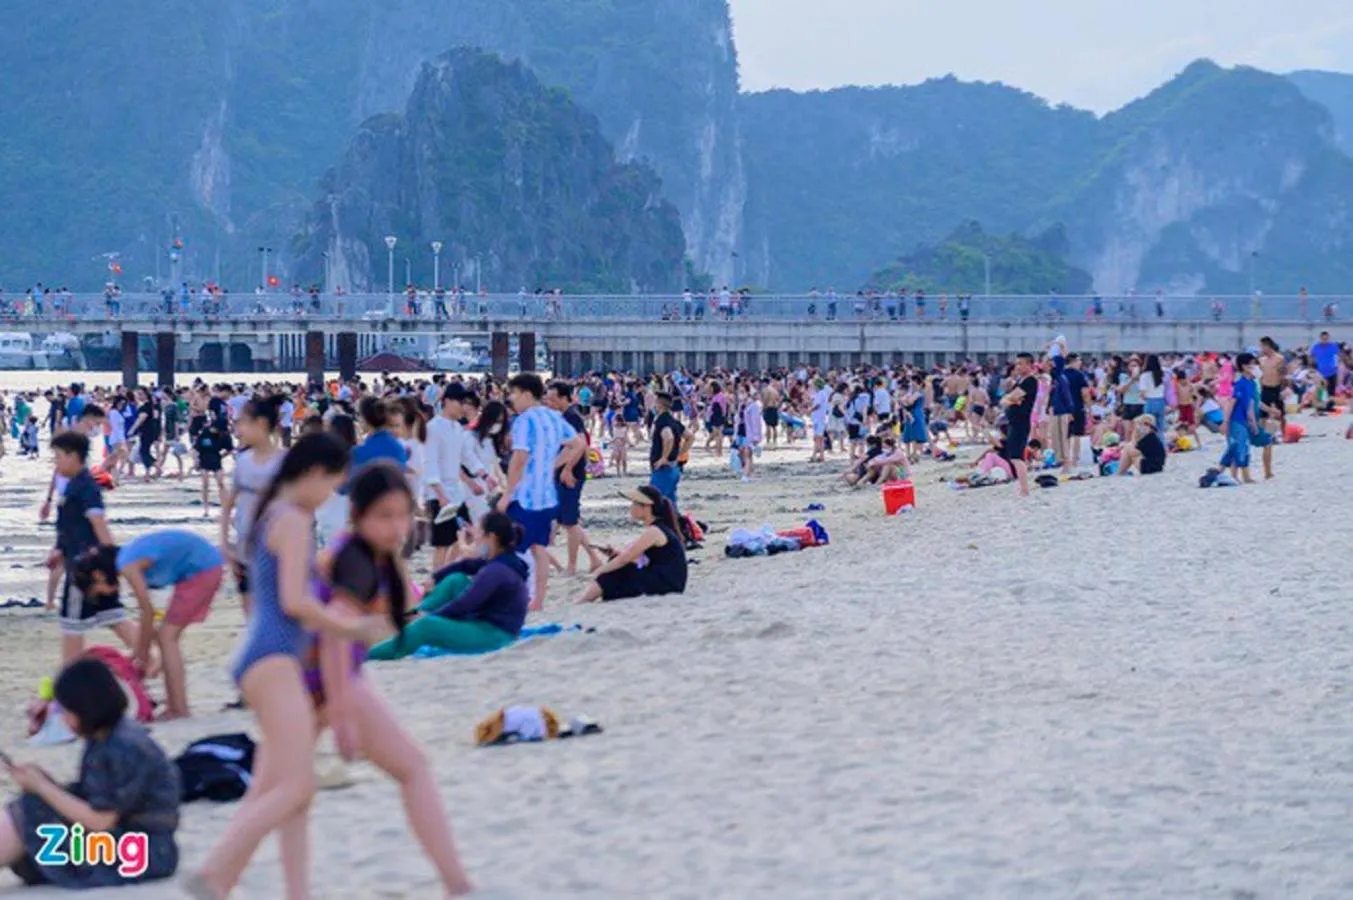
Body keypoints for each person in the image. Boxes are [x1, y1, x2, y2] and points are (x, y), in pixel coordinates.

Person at [183, 433, 395, 899]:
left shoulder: (272, 512)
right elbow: (296, 603)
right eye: (332, 485)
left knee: (284, 786)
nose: (329, 497)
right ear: (316, 474)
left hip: (267, 657)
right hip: (273, 658)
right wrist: (355, 629)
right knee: (296, 786)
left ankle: (294, 891)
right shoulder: (294, 518)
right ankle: (215, 874)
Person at [301, 463, 471, 894]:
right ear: (358, 514)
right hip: (314, 681)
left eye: (403, 514)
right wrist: (341, 718)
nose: (398, 525)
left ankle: (457, 881)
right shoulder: (354, 558)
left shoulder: (365, 551)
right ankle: (458, 882)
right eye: (385, 515)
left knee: (281, 793)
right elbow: (337, 637)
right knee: (412, 769)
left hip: (324, 678)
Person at [0, 657, 181, 889]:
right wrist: (45, 784)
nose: (62, 717)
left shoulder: (121, 747)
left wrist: (44, 788)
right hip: (133, 844)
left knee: (32, 809)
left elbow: (101, 820)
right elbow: (97, 795)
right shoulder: (109, 736)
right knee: (34, 806)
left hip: (141, 851)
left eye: (64, 710)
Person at [75, 531, 224, 720]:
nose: (103, 595)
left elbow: (147, 612)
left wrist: (142, 655)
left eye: (97, 590)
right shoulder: (127, 557)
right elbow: (148, 617)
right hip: (201, 567)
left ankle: (178, 709)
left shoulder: (128, 565)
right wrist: (140, 652)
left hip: (202, 570)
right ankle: (175, 704)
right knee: (167, 637)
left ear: (98, 576)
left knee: (167, 637)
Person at [369, 510, 529, 660]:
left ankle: (369, 655)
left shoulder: (496, 571)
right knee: (456, 579)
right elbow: (465, 565)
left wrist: (432, 616)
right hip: (487, 621)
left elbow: (465, 605)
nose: (476, 538)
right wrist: (435, 577)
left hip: (496, 634)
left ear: (491, 537)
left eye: (479, 533)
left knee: (427, 626)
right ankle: (413, 615)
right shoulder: (502, 560)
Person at [49, 431, 139, 664]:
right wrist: (59, 549)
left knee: (72, 624)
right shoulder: (73, 485)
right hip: (84, 562)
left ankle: (70, 677)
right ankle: (151, 656)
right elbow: (71, 524)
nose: (55, 462)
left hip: (86, 568)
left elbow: (98, 523)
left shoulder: (86, 487)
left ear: (73, 456)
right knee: (114, 616)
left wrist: (110, 561)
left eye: (57, 456)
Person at [497, 374, 586, 611]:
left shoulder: (524, 420)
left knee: (513, 548)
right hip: (547, 495)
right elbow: (578, 444)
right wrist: (553, 465)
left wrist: (507, 492)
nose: (510, 399)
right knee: (539, 549)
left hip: (525, 495)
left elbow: (520, 457)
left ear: (526, 393)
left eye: (513, 394)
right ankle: (537, 600)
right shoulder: (553, 417)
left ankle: (519, 596)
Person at [219, 394, 285, 619]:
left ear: (261, 424)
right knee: (250, 613)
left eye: (243, 423)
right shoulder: (243, 461)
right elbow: (228, 504)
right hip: (245, 548)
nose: (239, 430)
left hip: (277, 549)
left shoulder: (284, 462)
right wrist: (225, 543)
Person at [577, 486, 688, 603]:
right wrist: (614, 554)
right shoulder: (657, 528)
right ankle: (585, 599)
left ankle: (583, 601)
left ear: (646, 507)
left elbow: (625, 559)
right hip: (668, 581)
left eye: (634, 504)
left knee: (613, 571)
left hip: (668, 584)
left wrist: (598, 572)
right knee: (616, 564)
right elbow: (639, 558)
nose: (631, 507)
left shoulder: (654, 531)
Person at [424, 384, 487, 569]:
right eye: (461, 402)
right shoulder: (433, 428)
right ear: (448, 401)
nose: (464, 407)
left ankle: (448, 571)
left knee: (465, 533)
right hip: (439, 493)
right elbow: (430, 462)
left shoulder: (457, 427)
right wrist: (439, 493)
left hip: (456, 491)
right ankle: (437, 580)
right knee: (442, 544)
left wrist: (483, 473)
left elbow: (466, 455)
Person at [545, 382, 602, 574]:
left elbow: (581, 445)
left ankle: (571, 565)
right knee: (569, 521)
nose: (548, 402)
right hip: (565, 471)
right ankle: (594, 558)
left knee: (569, 522)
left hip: (572, 473)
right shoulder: (565, 416)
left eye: (552, 399)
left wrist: (567, 469)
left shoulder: (571, 417)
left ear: (563, 398)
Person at [1001, 353, 1038, 497]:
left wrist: (1012, 399)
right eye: (1017, 364)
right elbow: (1006, 398)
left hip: (1021, 422)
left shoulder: (1030, 381)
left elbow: (1012, 397)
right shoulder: (1020, 381)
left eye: (1021, 363)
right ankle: (1023, 488)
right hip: (1014, 421)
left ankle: (1024, 489)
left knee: (1017, 456)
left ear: (1029, 365)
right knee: (1014, 456)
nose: (1018, 366)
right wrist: (1012, 399)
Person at [1220, 352, 1260, 484]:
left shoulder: (1251, 383)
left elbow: (1250, 405)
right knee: (1238, 446)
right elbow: (1231, 403)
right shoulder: (1240, 384)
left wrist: (1253, 423)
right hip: (1235, 419)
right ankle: (1236, 475)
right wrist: (1225, 422)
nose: (1254, 366)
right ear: (1244, 366)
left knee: (1242, 446)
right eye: (1251, 364)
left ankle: (1239, 475)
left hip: (1244, 420)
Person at [649, 391, 684, 506]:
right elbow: (690, 436)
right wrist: (680, 453)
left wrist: (664, 458)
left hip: (664, 468)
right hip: (674, 467)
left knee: (657, 501)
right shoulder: (674, 421)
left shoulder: (662, 421)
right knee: (670, 502)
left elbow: (668, 437)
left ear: (659, 405)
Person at [1310, 330, 1340, 411]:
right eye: (1323, 338)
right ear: (1320, 338)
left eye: (1326, 338)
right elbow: (1311, 357)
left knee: (1331, 390)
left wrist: (1337, 366)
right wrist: (1312, 368)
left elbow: (1338, 356)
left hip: (1332, 372)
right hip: (1321, 372)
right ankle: (1321, 406)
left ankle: (1330, 406)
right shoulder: (1316, 347)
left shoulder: (1334, 346)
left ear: (1328, 338)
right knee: (1321, 390)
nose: (1324, 340)